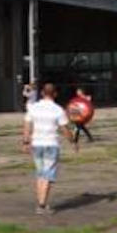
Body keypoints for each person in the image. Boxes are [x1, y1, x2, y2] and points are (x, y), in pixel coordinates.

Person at [21, 82, 74, 214]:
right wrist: (73, 142)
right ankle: (42, 206)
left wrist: (25, 142)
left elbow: (27, 126)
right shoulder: (58, 109)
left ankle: (40, 203)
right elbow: (65, 129)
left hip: (36, 144)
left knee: (40, 174)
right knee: (48, 175)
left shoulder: (33, 108)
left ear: (42, 93)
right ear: (55, 94)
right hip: (51, 145)